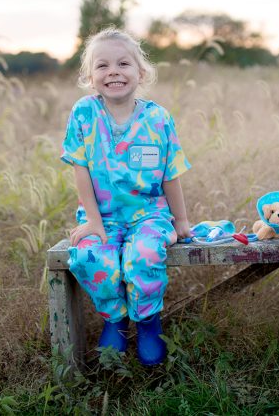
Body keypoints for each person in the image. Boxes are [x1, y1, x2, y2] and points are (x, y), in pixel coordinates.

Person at [60, 28, 192, 365]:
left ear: (141, 72)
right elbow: (80, 169)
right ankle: (115, 320)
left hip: (149, 215)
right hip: (101, 216)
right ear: (90, 77)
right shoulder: (84, 114)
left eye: (123, 63)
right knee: (90, 257)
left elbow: (169, 173)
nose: (114, 71)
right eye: (102, 66)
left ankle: (147, 321)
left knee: (144, 256)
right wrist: (92, 220)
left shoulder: (157, 119)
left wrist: (182, 220)